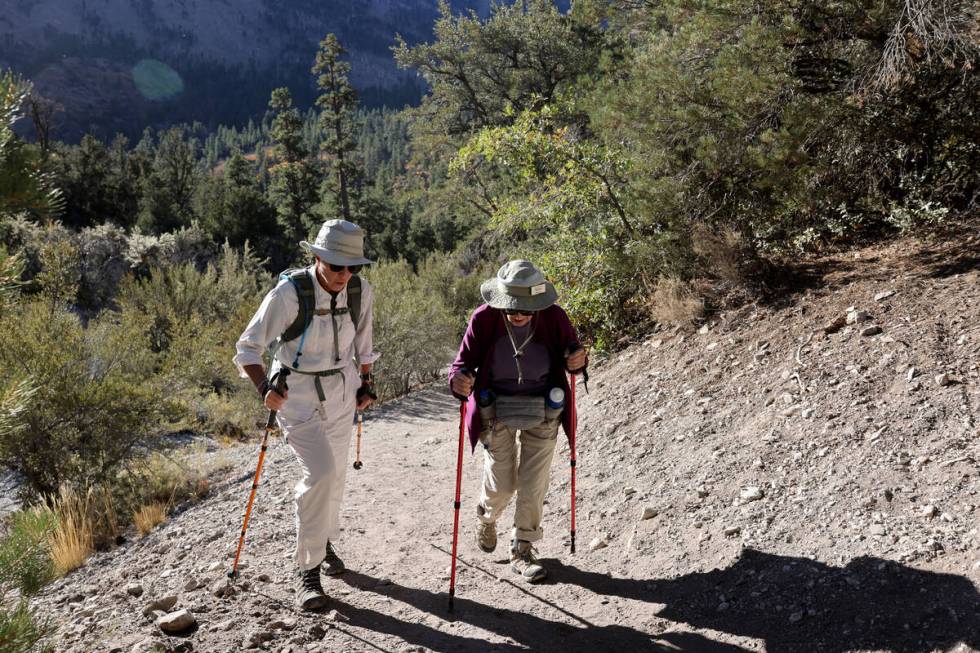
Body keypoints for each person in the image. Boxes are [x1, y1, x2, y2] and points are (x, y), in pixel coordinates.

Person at [233, 219, 379, 610]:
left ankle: (322, 540)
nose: (343, 274)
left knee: (336, 477)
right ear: (317, 258)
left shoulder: (361, 292)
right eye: (335, 266)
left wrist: (365, 383)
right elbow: (248, 347)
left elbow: (363, 345)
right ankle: (308, 572)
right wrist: (265, 388)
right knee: (321, 474)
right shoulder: (290, 293)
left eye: (351, 267)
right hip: (296, 397)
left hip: (341, 392)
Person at [449, 260, 587, 583]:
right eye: (512, 308)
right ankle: (487, 515)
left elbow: (573, 356)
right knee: (503, 483)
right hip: (495, 408)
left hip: (544, 407)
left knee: (532, 483)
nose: (518, 314)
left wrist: (578, 360)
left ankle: (522, 547)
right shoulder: (483, 318)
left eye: (525, 308)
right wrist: (458, 379)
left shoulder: (554, 317)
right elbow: (462, 363)